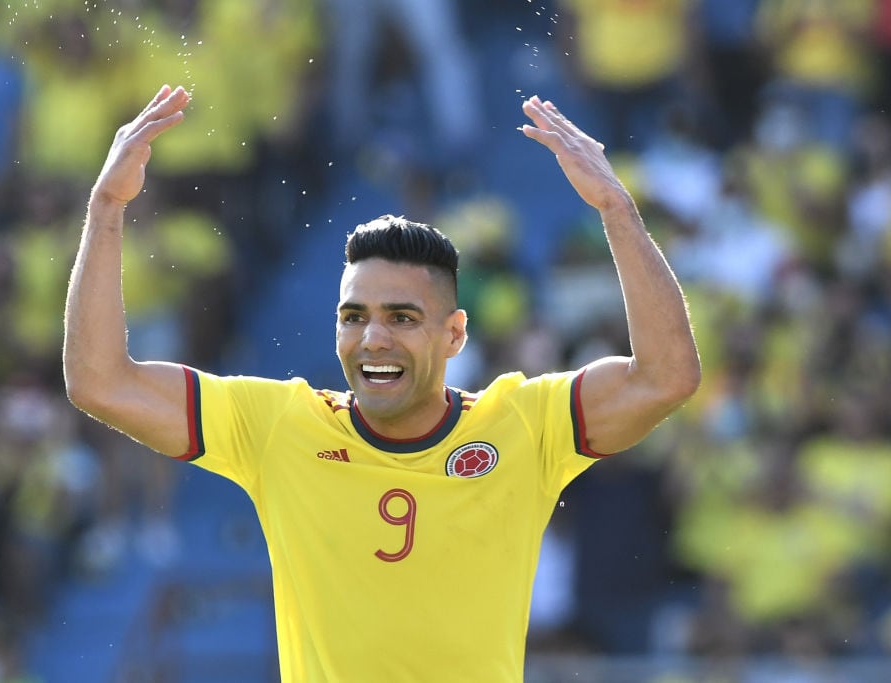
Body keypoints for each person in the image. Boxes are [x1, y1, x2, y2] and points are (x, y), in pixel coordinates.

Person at [62, 85, 700, 681]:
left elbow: (667, 378)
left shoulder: (524, 424)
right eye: (353, 317)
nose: (374, 339)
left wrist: (617, 209)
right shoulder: (279, 425)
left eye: (402, 318)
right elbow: (99, 382)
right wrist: (107, 207)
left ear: (454, 335)